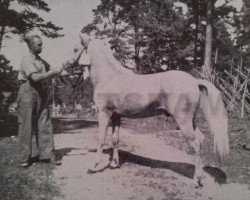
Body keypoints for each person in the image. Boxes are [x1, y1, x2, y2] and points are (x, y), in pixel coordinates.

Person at [16, 35, 84, 167]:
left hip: (41, 94)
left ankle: (47, 155)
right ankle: (24, 158)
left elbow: (56, 72)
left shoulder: (41, 61)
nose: (41, 47)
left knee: (45, 124)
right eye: (39, 45)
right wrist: (51, 73)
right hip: (27, 94)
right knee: (26, 126)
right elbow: (35, 78)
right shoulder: (26, 60)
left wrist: (74, 73)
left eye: (41, 44)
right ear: (31, 46)